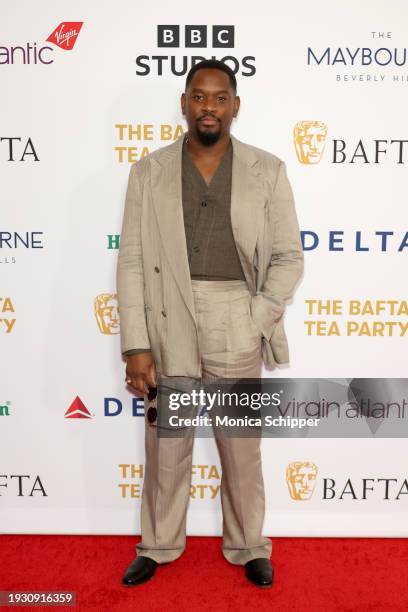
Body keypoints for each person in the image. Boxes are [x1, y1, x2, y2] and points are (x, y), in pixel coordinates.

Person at [116, 59, 304, 588]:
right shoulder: (149, 172)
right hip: (167, 311)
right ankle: (157, 544)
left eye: (220, 98)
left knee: (241, 446)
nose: (209, 108)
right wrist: (136, 343)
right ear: (184, 103)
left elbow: (289, 257)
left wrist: (256, 316)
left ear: (236, 106)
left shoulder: (267, 170)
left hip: (236, 315)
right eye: (200, 97)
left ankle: (249, 545)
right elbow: (131, 260)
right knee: (167, 442)